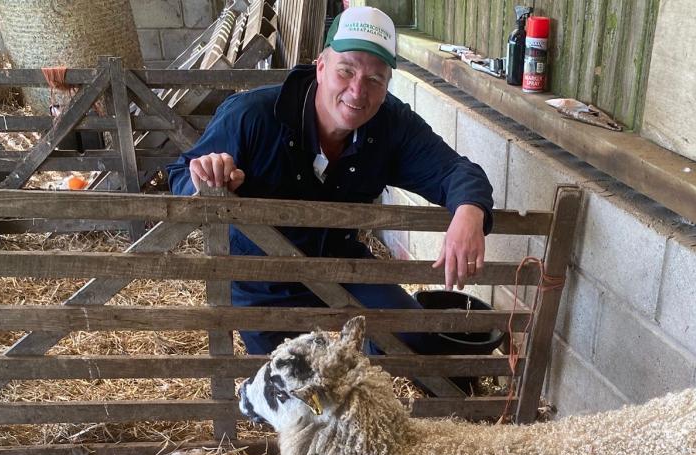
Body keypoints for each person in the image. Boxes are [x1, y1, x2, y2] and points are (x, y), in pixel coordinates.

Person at [166, 6, 494, 356]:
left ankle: (365, 379)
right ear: (320, 67)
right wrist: (206, 179)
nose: (357, 91)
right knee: (293, 389)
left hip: (341, 263)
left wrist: (470, 211)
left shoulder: (391, 126)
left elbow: (456, 171)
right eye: (346, 71)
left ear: (386, 87)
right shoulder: (252, 116)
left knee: (413, 335)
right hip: (263, 279)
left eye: (374, 80)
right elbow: (180, 175)